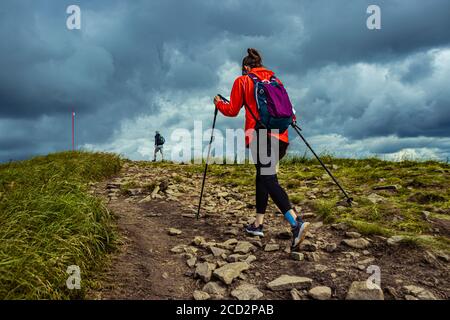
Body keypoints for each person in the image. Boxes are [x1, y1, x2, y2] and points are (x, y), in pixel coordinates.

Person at [213, 48, 310, 250]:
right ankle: (257, 224)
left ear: (246, 68)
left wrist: (219, 103)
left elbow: (231, 110)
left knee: (268, 178)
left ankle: (296, 223)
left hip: (260, 136)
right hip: (282, 137)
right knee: (262, 176)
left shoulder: (243, 81)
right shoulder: (275, 80)